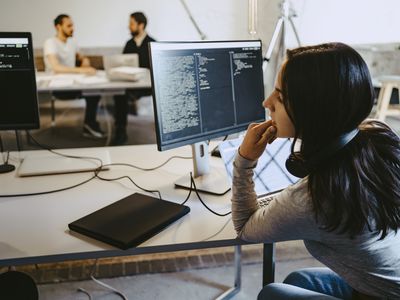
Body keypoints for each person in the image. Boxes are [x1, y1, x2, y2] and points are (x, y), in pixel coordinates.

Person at [232, 43, 400, 299]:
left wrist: (245, 160)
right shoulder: (379, 137)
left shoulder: (313, 198)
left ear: (310, 109)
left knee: (273, 293)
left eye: (279, 96)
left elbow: (245, 228)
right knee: (298, 280)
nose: (267, 102)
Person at [44, 14, 105, 138]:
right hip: (57, 86)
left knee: (94, 92)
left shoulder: (72, 41)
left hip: (73, 82)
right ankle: (90, 124)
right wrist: (82, 70)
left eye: (73, 25)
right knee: (93, 93)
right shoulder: (50, 43)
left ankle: (89, 125)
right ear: (58, 27)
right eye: (69, 25)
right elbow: (56, 67)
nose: (73, 28)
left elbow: (81, 56)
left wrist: (85, 61)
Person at [112, 12, 155, 145]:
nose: (128, 26)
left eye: (131, 23)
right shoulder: (129, 44)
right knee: (119, 94)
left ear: (140, 25)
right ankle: (120, 130)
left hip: (147, 86)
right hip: (131, 84)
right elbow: (123, 63)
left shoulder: (153, 44)